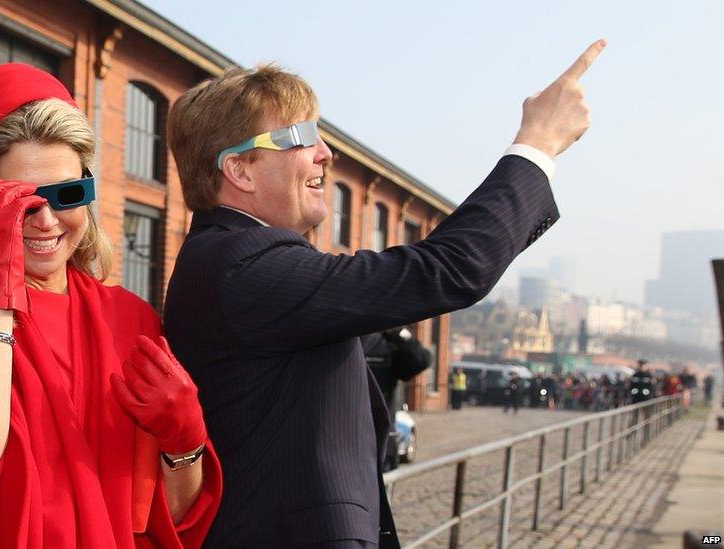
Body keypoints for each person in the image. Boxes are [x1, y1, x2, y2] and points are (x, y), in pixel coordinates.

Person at [163, 38, 606, 547]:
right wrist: (537, 144)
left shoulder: (232, 256)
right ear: (238, 169)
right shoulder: (241, 263)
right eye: (301, 135)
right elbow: (448, 268)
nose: (325, 154)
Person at [0, 64, 221, 548]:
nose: (46, 221)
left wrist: (185, 445)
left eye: (67, 194)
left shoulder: (130, 320)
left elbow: (167, 521)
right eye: (21, 201)